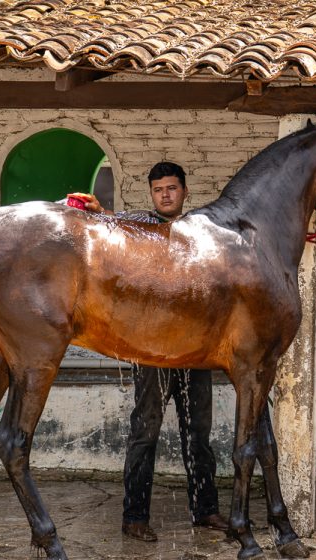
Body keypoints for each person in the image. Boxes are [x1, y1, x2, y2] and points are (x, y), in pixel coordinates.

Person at [69, 162, 228, 542]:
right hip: (153, 350)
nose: (166, 195)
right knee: (145, 432)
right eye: (159, 190)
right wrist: (98, 213)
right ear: (152, 194)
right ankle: (134, 516)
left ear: (185, 191)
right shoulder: (140, 225)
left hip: (193, 349)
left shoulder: (200, 232)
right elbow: (111, 222)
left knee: (199, 434)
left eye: (172, 188)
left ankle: (205, 510)